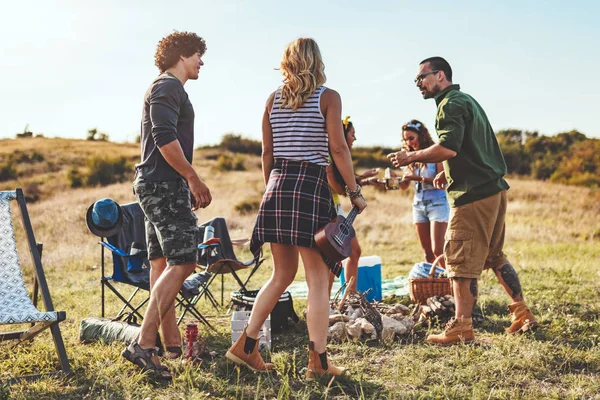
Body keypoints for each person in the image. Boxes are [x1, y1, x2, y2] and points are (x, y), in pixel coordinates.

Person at [225, 38, 367, 379]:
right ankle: (318, 363)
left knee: (281, 275)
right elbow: (338, 148)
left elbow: (266, 154)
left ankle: (245, 346)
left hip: (277, 186)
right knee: (319, 281)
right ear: (316, 61)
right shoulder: (328, 97)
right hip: (310, 186)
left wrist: (271, 191)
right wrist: (354, 191)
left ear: (286, 62)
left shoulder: (272, 99)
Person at [388, 56, 538, 345]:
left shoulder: (449, 105)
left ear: (440, 75)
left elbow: (448, 147)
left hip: (473, 195)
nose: (419, 83)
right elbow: (465, 146)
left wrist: (410, 156)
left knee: (458, 261)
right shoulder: (465, 99)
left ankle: (462, 328)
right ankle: (522, 312)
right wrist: (447, 172)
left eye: (422, 77)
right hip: (493, 189)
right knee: (494, 256)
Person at [121, 31, 212, 381]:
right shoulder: (167, 86)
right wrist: (192, 178)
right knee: (185, 261)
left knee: (161, 264)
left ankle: (171, 346)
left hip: (159, 184)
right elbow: (163, 138)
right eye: (197, 55)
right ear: (182, 56)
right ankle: (144, 345)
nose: (201, 62)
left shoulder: (168, 88)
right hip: (162, 185)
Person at [327, 116, 378, 295]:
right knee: (333, 258)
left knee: (353, 251)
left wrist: (362, 179)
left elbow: (344, 183)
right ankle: (326, 302)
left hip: (336, 209)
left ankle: (349, 297)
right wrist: (359, 184)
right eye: (352, 134)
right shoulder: (329, 156)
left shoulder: (338, 156)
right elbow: (339, 187)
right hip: (327, 210)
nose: (354, 138)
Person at [397, 119, 449, 267]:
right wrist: (395, 180)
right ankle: (436, 286)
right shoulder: (409, 157)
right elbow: (405, 186)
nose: (409, 143)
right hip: (418, 206)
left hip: (437, 205)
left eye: (411, 138)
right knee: (427, 253)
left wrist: (418, 178)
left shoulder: (435, 154)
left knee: (438, 250)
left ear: (422, 136)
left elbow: (442, 182)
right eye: (405, 139)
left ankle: (451, 284)